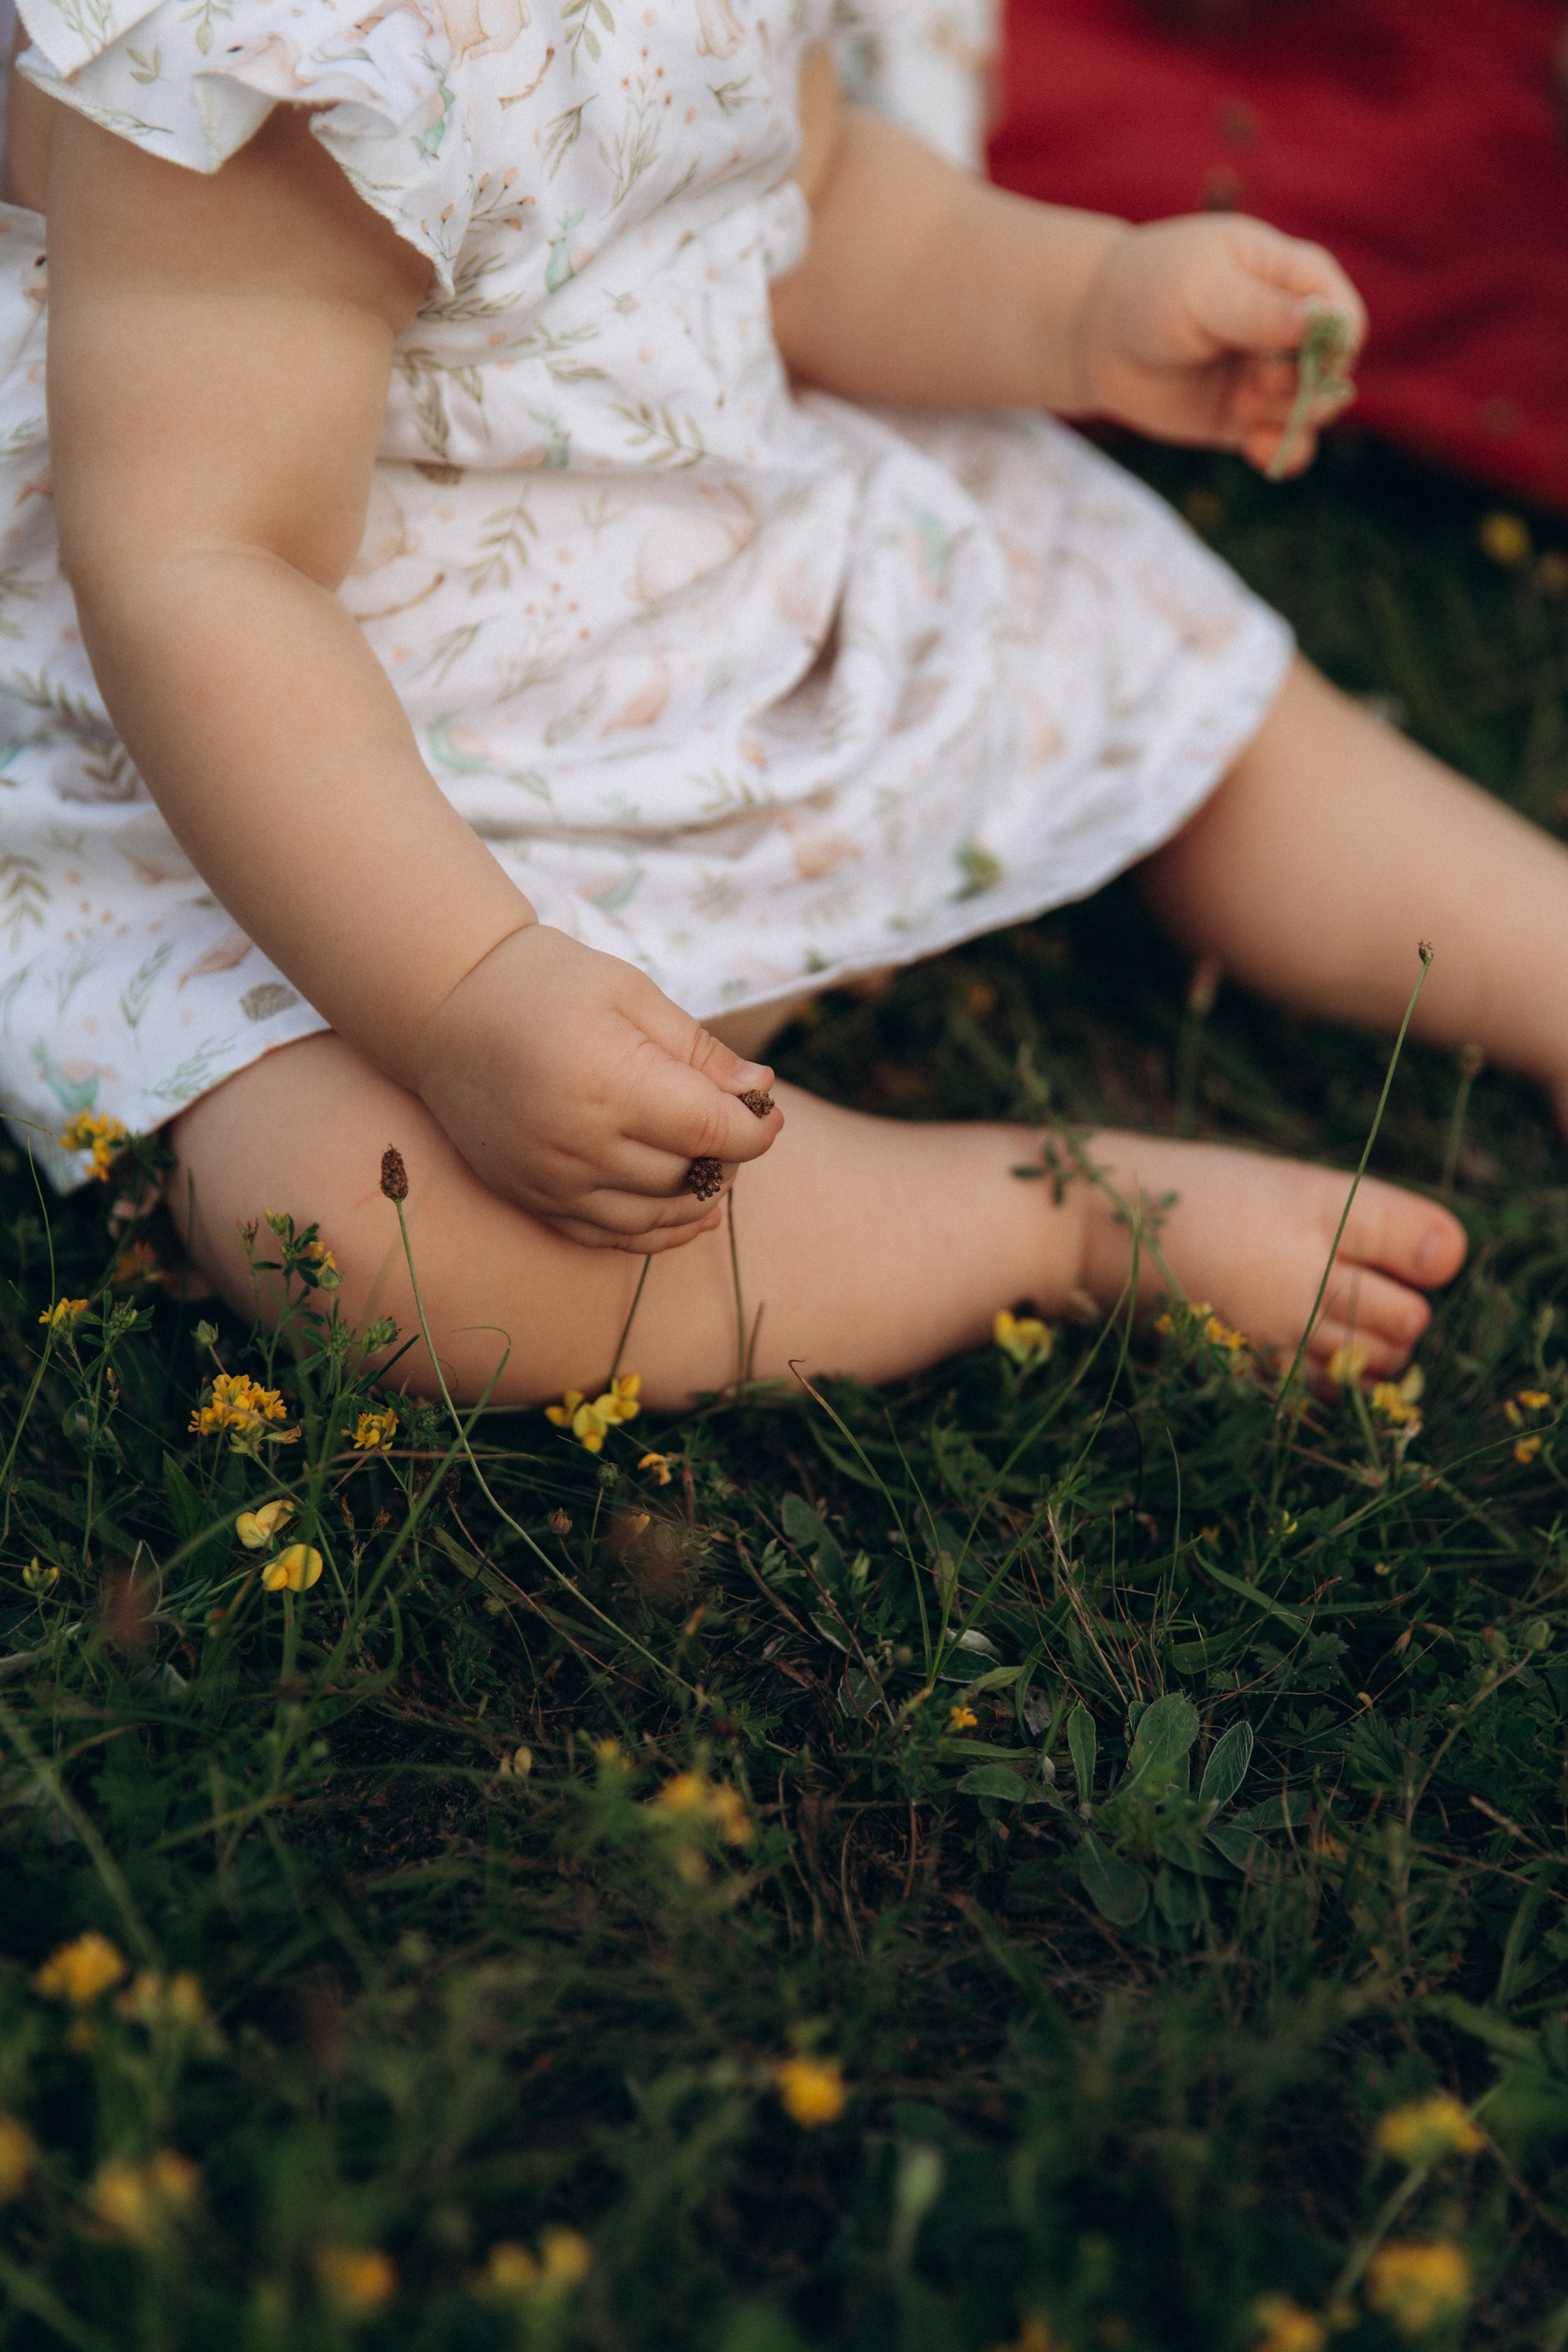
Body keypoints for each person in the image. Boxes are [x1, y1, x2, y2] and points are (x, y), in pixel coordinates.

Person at [11, 0, 1564, 1415]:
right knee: (358, 1214)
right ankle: (1041, 1216)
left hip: (733, 559)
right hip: (332, 775)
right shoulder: (266, 58)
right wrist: (461, 989)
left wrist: (1084, 301)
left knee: (1107, 621)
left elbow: (807, 211)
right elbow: (213, 565)